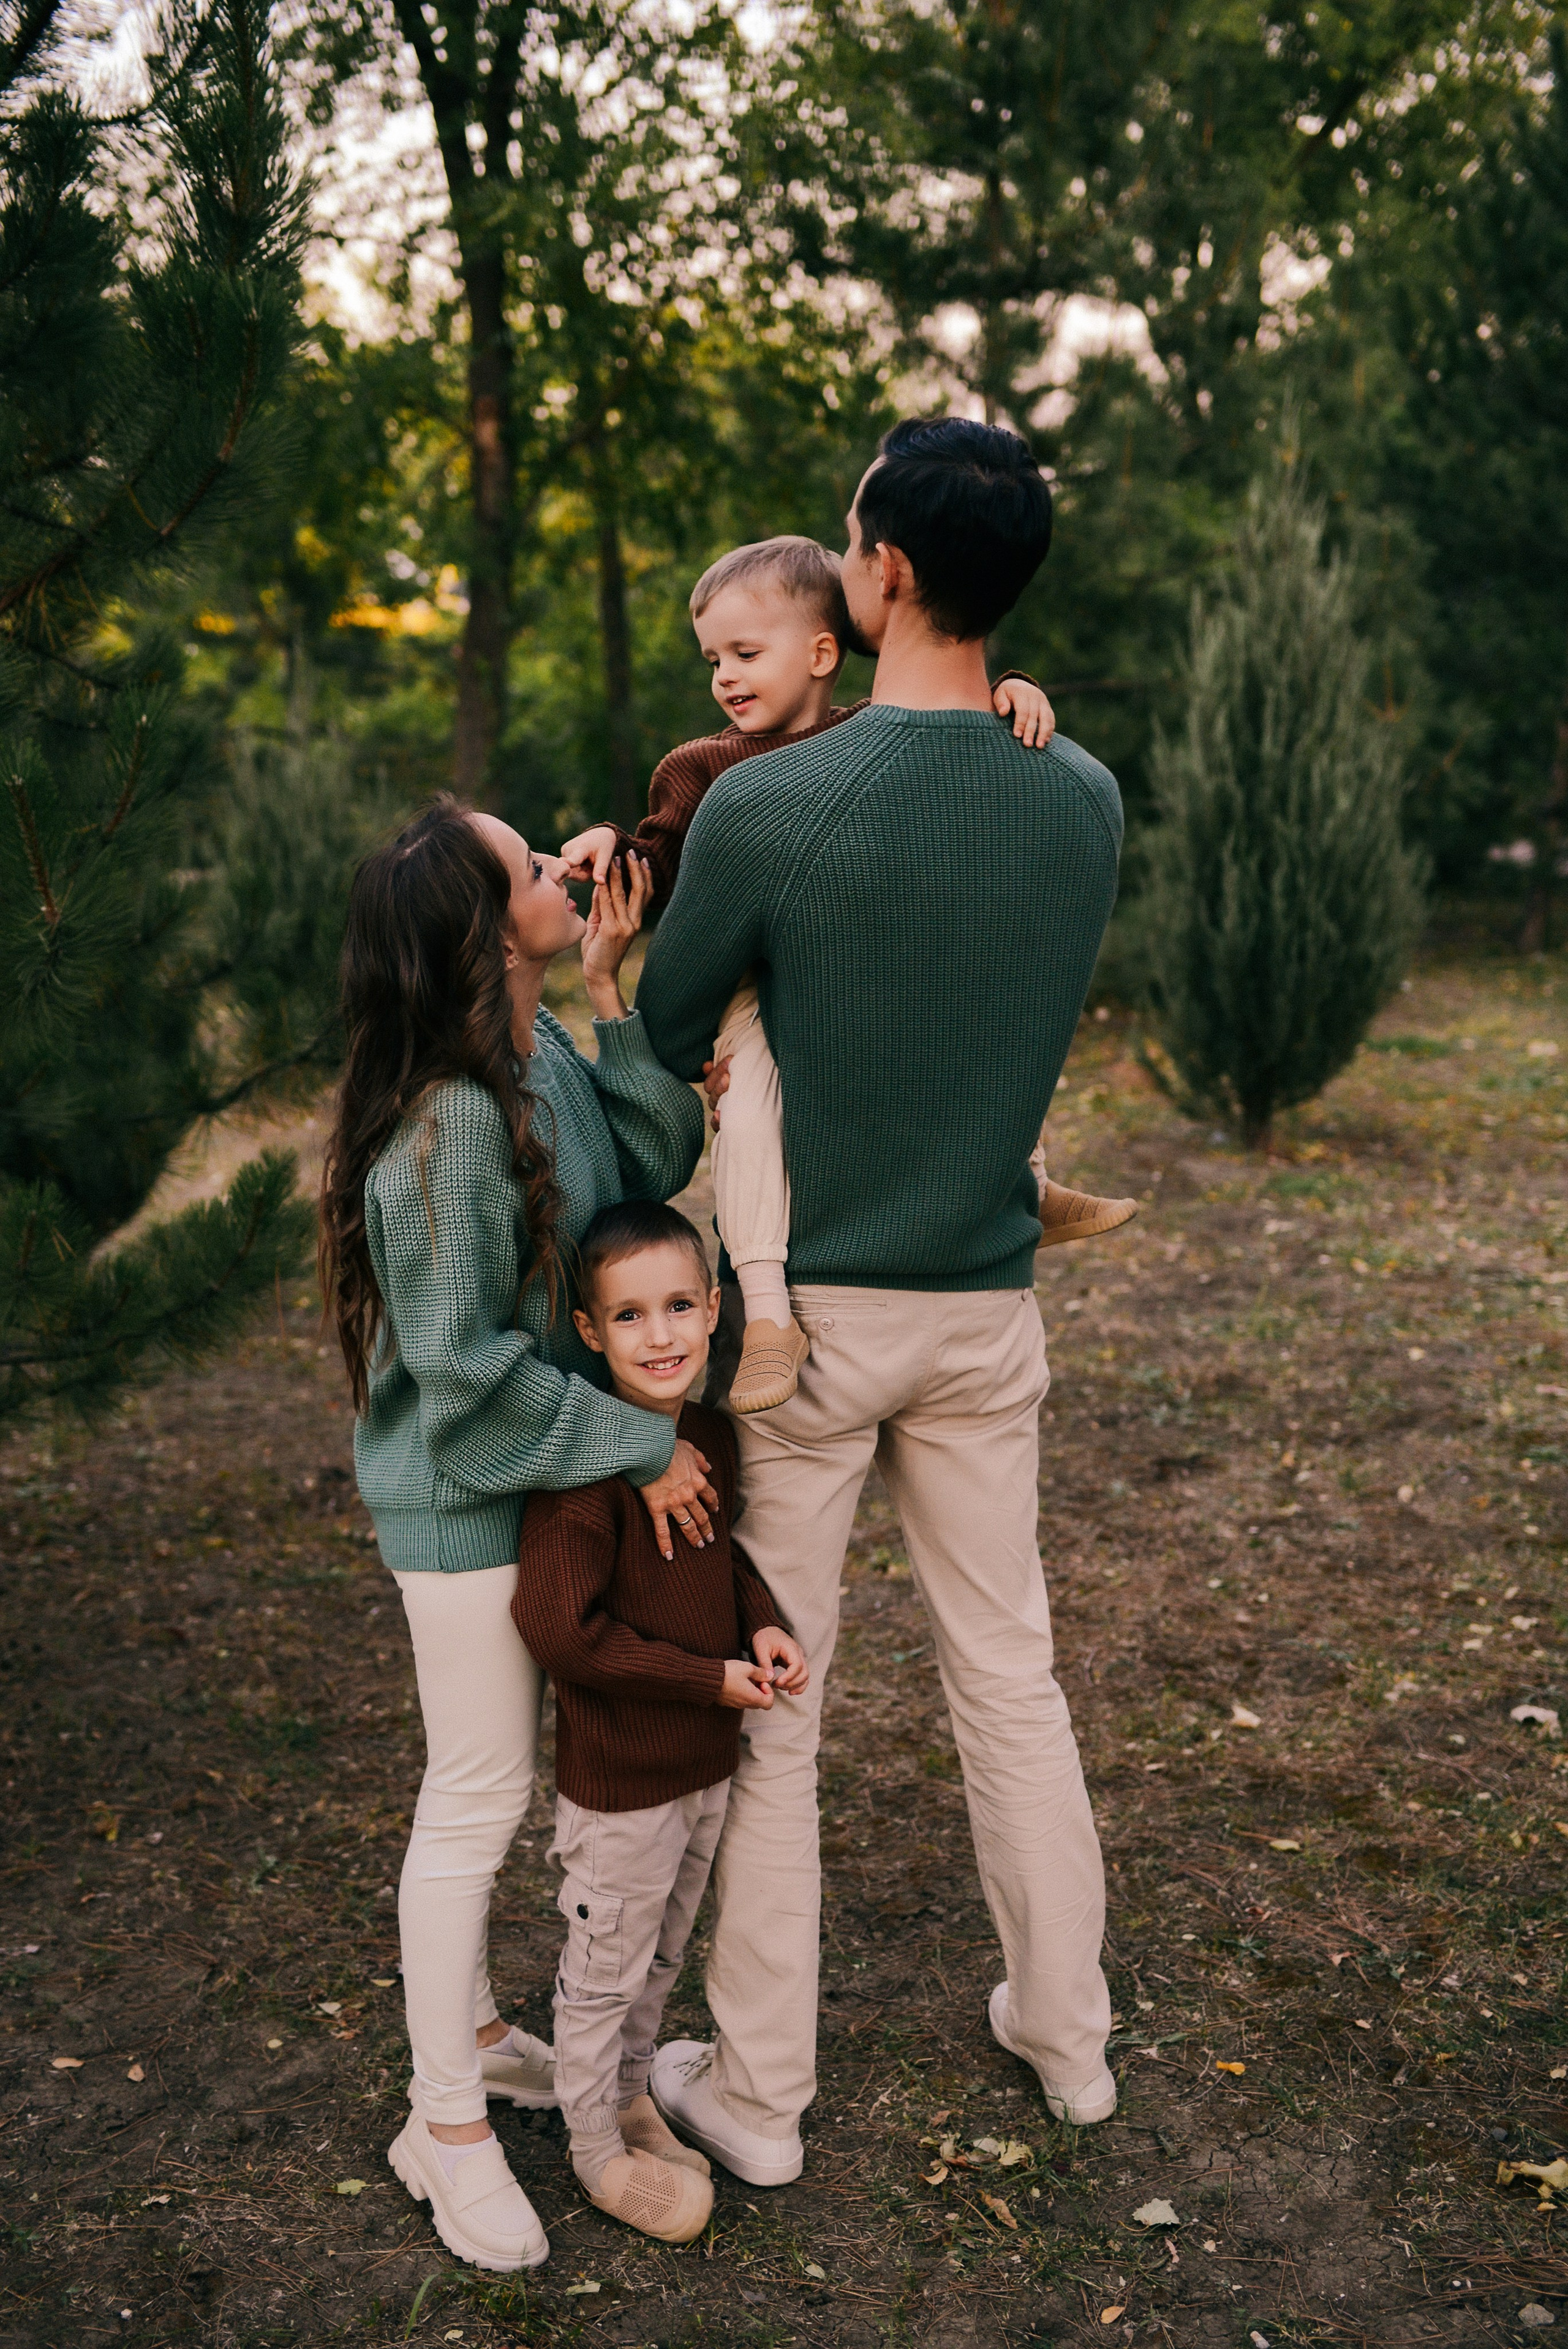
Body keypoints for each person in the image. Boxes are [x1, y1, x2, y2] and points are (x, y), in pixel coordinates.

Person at [632, 417, 1123, 2189]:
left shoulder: (771, 801)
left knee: (789, 1696)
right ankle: (1069, 2039)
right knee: (1014, 1673)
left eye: (850, 535)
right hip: (987, 1309)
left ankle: (758, 2096)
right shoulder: (1081, 791)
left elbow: (672, 1022)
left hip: (807, 1323)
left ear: (888, 572)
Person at [317, 799, 707, 2273]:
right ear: (484, 931)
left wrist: (614, 999)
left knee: (488, 1781)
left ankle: (479, 2035)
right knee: (475, 1798)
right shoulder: (448, 1121)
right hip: (468, 1496)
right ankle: (444, 2125)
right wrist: (643, 1440)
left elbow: (656, 1166)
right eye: (528, 864)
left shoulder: (535, 1051)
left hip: (538, 1479)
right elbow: (468, 1382)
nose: (564, 860)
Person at [560, 537, 1136, 1416]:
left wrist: (1008, 695)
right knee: (749, 1107)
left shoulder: (869, 735)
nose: (723, 676)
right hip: (751, 989)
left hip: (854, 977)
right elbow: (658, 854)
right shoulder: (701, 768)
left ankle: (1027, 1179)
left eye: (746, 654)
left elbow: (942, 724)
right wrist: (609, 852)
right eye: (713, 658)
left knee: (978, 995)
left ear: (822, 653)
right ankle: (765, 1311)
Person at [510, 1199, 807, 2244]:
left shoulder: (712, 1433)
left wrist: (762, 1629)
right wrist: (707, 1680)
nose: (663, 1335)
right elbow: (562, 1632)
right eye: (630, 1317)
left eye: (681, 1305)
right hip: (622, 1782)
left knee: (664, 1952)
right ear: (589, 1333)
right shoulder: (585, 1471)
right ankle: (592, 2144)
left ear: (717, 1307)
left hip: (704, 1763)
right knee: (604, 1970)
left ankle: (634, 2094)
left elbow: (719, 1564)